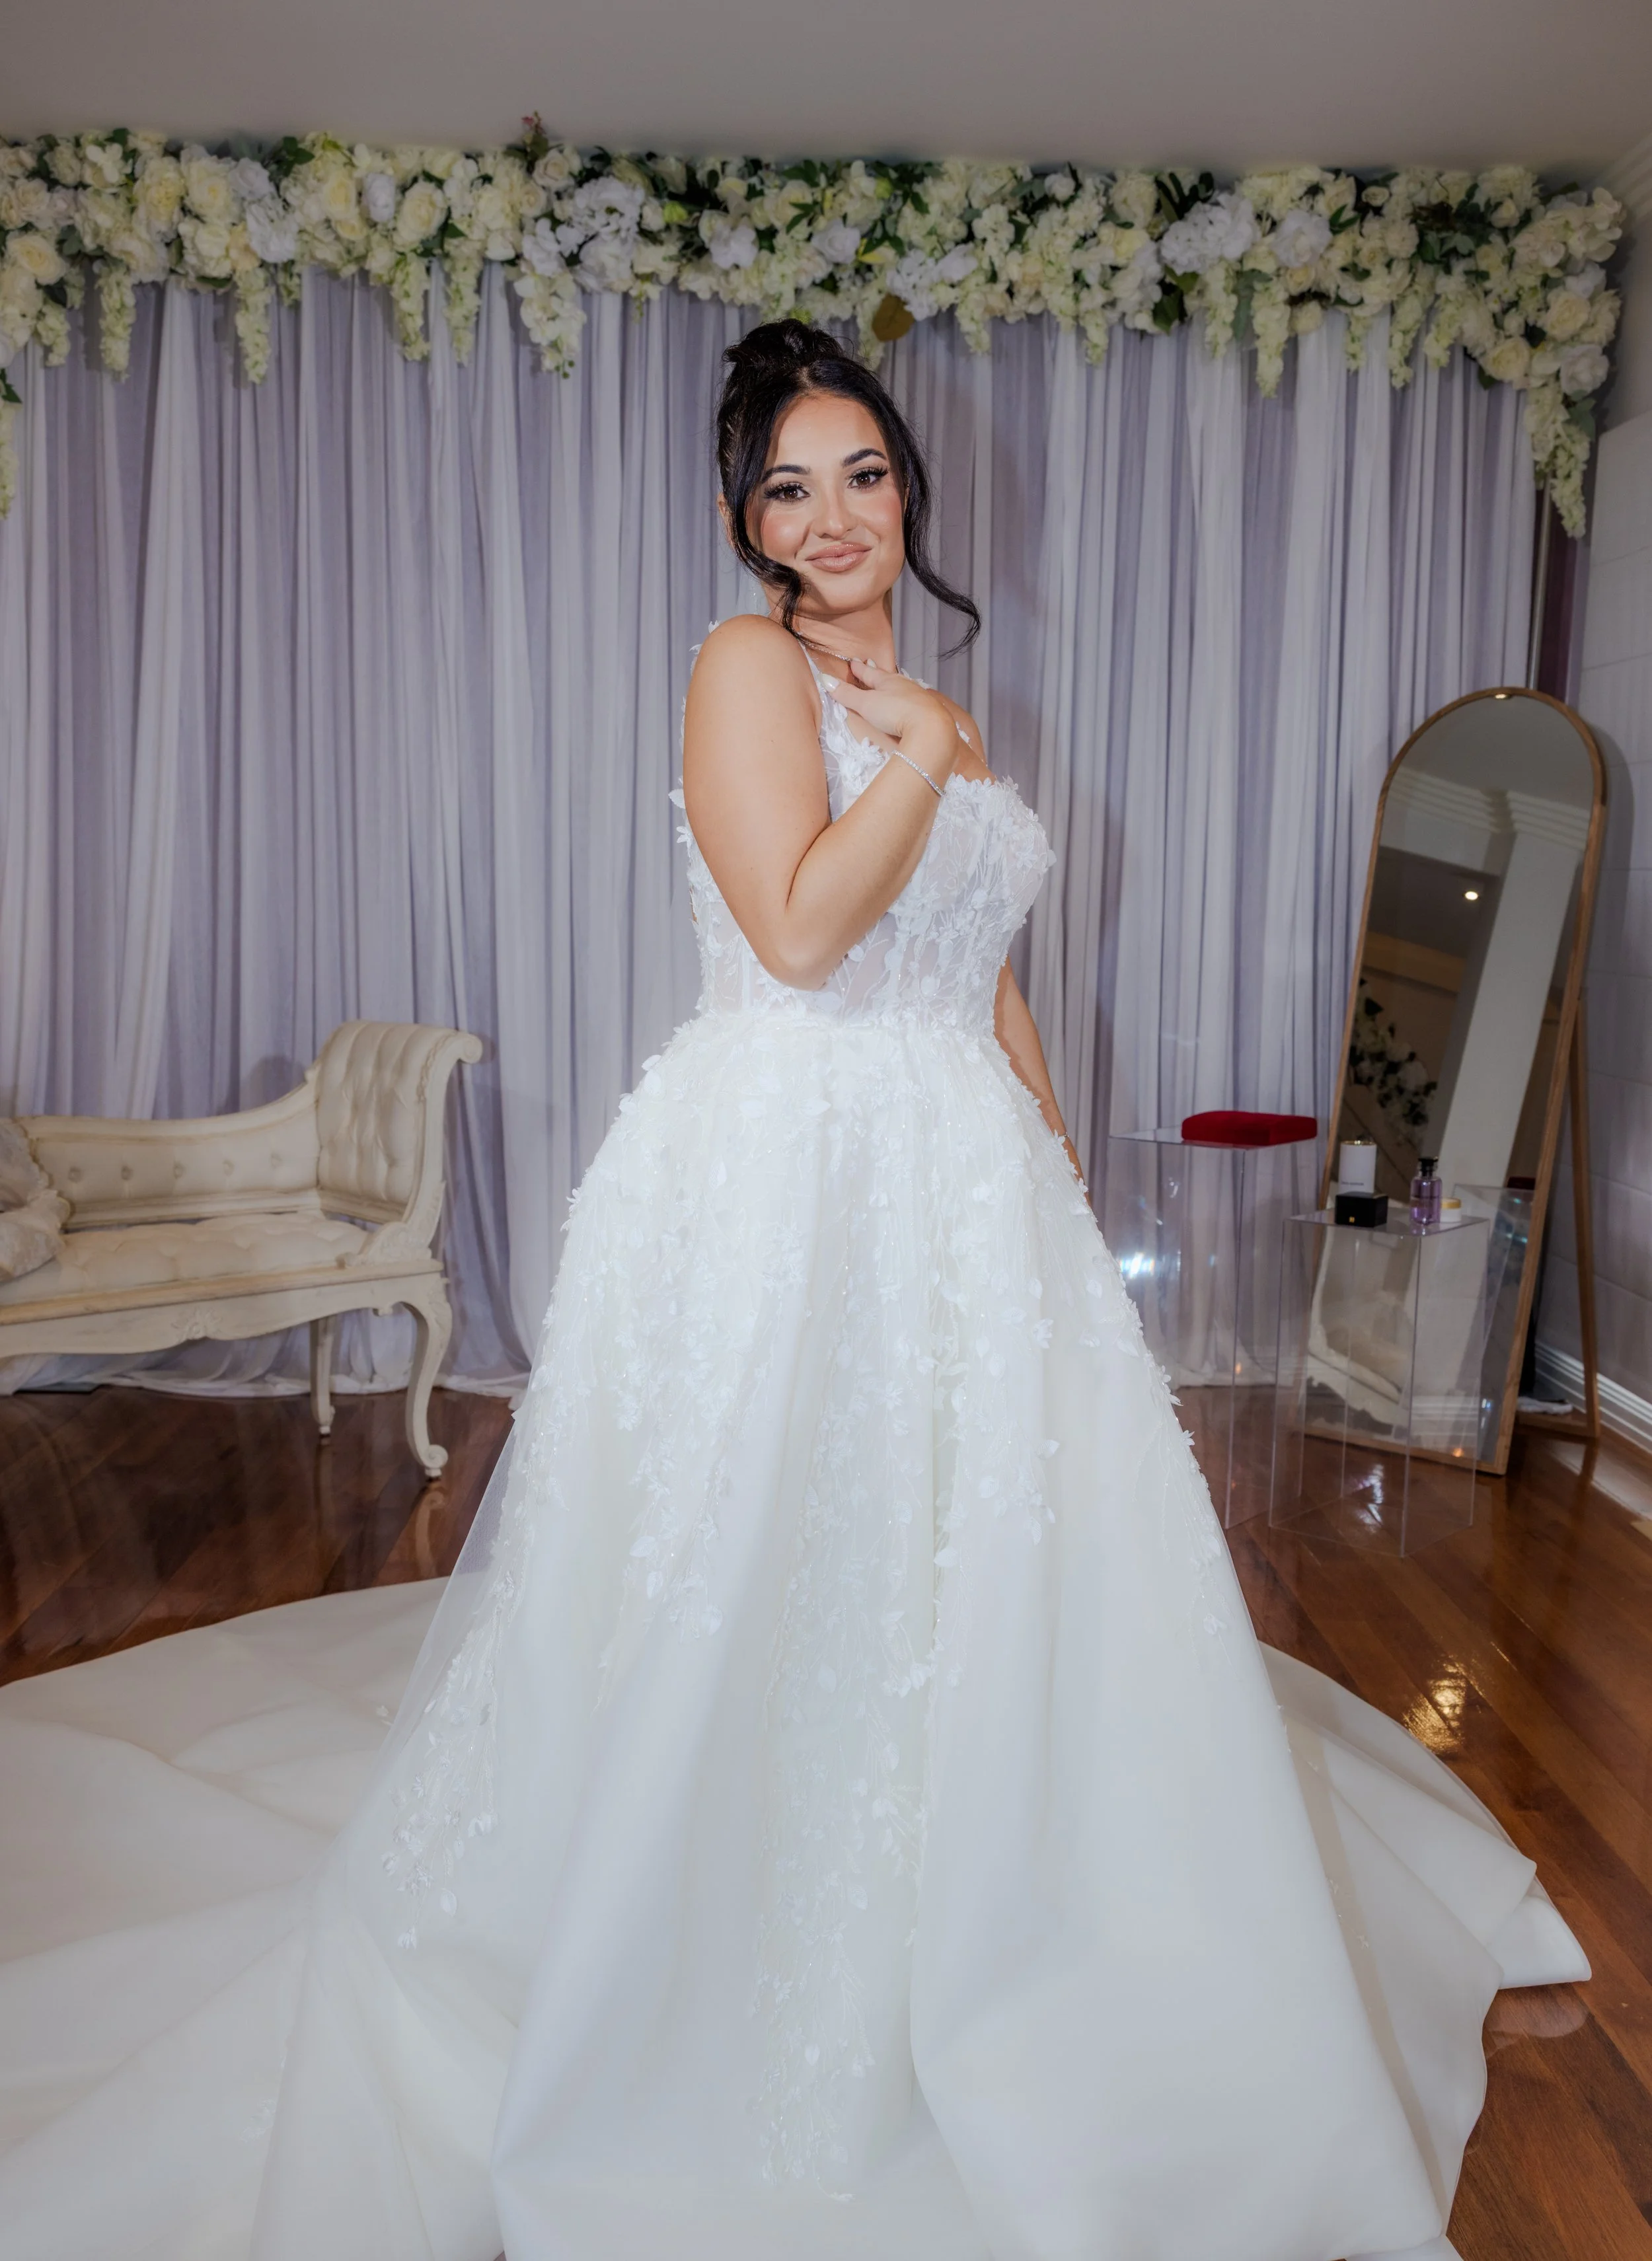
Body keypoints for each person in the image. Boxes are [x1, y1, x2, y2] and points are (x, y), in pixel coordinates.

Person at [0, 318, 1587, 2261]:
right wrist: (915, 752)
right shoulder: (748, 666)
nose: (835, 518)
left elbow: (984, 961)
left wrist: (1052, 1170)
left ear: (905, 485)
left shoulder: (934, 706)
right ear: (743, 517)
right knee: (759, 1551)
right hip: (791, 1164)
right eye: (790, 486)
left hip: (955, 1180)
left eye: (863, 475)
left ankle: (999, 1897)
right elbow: (802, 927)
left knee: (975, 1565)